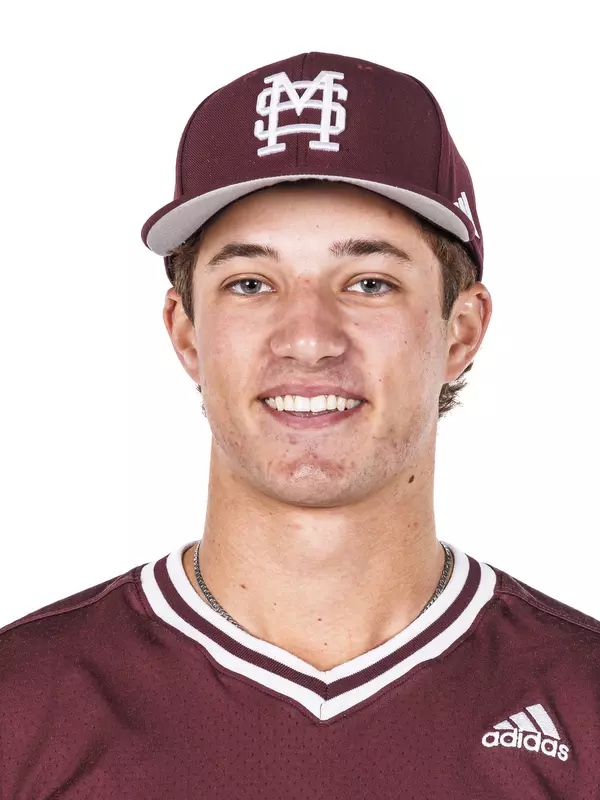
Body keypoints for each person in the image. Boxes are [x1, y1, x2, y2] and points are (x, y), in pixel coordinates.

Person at [1, 51, 598, 799]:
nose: (309, 336)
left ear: (462, 331)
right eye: (251, 284)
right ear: (186, 334)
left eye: (369, 283)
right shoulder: (20, 709)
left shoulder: (584, 706)